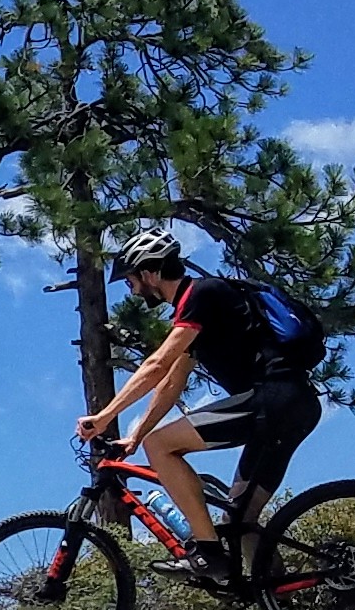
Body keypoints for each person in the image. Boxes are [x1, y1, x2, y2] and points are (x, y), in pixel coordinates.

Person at [76, 229, 324, 589]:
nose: (129, 289)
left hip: (275, 398)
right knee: (240, 517)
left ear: (149, 272)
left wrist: (103, 417)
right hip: (288, 406)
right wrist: (134, 436)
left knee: (161, 446)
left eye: (129, 279)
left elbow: (157, 364)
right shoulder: (198, 309)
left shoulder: (202, 293)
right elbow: (170, 382)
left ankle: (205, 550)